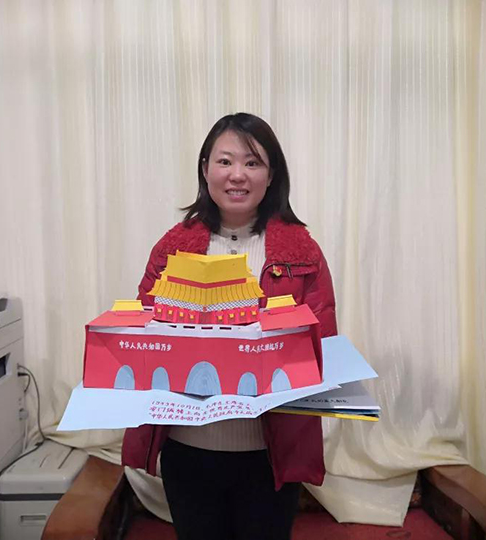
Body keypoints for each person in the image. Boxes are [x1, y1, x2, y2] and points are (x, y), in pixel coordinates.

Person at [122, 112, 337, 540]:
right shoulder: (172, 249)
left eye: (252, 162)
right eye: (225, 161)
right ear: (205, 170)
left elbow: (323, 345)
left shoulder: (302, 251)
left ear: (271, 175)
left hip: (270, 454)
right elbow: (144, 337)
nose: (237, 175)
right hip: (188, 449)